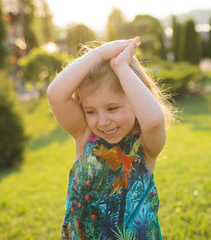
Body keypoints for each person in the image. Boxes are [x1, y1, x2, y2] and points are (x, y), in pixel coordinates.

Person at [47, 36, 171, 239]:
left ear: (135, 100)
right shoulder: (85, 134)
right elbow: (55, 95)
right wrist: (98, 53)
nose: (102, 121)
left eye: (112, 108)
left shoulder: (145, 147)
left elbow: (154, 121)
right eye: (91, 111)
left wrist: (122, 67)